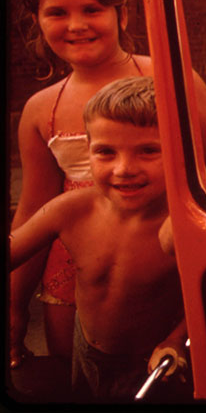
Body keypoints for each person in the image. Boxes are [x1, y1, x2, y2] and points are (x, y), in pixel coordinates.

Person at [9, 0, 206, 372]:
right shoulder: (41, 109)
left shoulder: (170, 77)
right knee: (76, 366)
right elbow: (33, 207)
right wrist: (15, 307)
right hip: (75, 253)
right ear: (37, 21)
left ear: (121, 14)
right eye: (57, 13)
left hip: (159, 247)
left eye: (91, 10)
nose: (76, 25)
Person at [9, 77, 188, 402]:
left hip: (155, 361)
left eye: (148, 151)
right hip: (87, 352)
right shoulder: (70, 210)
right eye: (106, 152)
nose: (124, 169)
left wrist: (177, 340)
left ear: (178, 153)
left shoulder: (184, 223)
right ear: (87, 152)